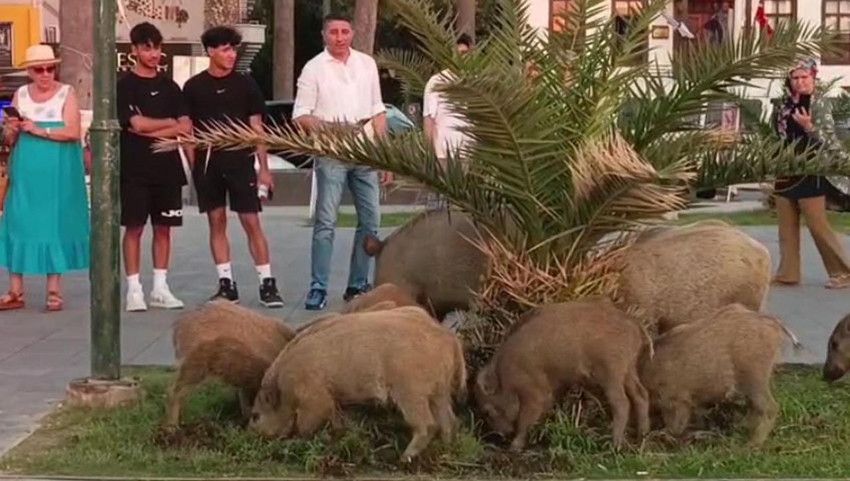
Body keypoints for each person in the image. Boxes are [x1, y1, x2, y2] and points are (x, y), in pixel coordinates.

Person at [293, 13, 392, 311]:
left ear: (352, 33)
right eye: (333, 32)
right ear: (324, 35)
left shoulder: (367, 64)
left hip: (366, 154)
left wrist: (385, 158)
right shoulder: (313, 68)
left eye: (344, 31)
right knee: (326, 222)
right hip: (332, 155)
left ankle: (357, 285)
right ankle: (318, 287)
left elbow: (378, 111)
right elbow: (301, 115)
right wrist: (332, 129)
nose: (339, 37)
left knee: (371, 221)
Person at [182, 26, 283, 308]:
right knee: (216, 221)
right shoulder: (193, 87)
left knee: (251, 221)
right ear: (211, 51)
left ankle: (267, 283)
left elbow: (257, 128)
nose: (231, 55)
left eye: (234, 49)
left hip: (240, 162)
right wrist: (195, 167)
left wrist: (264, 169)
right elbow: (187, 131)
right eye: (226, 49)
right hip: (208, 164)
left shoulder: (245, 84)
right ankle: (226, 284)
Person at [0, 44, 90, 311]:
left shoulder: (66, 93)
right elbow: (9, 139)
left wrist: (38, 130)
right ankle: (15, 289)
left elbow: (72, 131)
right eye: (39, 69)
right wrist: (12, 128)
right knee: (17, 220)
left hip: (57, 170)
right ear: (30, 72)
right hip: (26, 167)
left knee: (53, 223)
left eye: (50, 68)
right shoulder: (20, 94)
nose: (45, 74)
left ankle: (54, 290)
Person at [117, 22, 189, 312]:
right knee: (134, 228)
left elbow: (185, 127)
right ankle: (134, 290)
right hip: (134, 169)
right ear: (134, 50)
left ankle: (160, 288)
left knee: (164, 229)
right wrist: (169, 124)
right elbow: (136, 124)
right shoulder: (124, 86)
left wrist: (157, 129)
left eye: (157, 48)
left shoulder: (171, 87)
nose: (153, 54)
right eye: (147, 48)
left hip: (168, 170)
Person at [772, 58, 850, 289]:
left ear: (813, 78)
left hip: (811, 169)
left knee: (817, 225)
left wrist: (809, 127)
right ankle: (788, 273)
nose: (800, 82)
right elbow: (777, 136)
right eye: (795, 78)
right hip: (786, 168)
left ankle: (843, 272)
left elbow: (830, 141)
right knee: (786, 226)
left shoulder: (820, 104)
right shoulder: (782, 106)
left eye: (804, 77)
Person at [422, 34, 474, 208]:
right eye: (458, 53)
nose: (461, 58)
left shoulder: (474, 82)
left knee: (462, 203)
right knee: (441, 203)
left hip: (466, 152)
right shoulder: (436, 82)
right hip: (442, 152)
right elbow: (429, 119)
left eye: (465, 53)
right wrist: (430, 153)